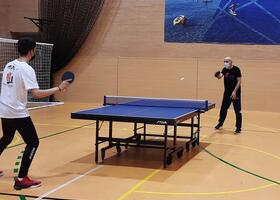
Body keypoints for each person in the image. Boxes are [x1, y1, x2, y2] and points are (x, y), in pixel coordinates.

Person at [0, 37, 70, 190]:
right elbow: (36, 94)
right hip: (17, 112)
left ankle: (21, 177)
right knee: (33, 142)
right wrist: (59, 88)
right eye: (35, 49)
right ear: (31, 50)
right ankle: (21, 178)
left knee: (7, 137)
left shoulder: (9, 65)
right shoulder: (27, 69)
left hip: (5, 110)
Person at [214, 57, 242, 134]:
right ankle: (220, 123)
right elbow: (220, 77)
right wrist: (217, 75)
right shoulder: (224, 69)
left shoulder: (236, 69)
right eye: (224, 61)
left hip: (236, 94)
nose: (225, 62)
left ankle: (238, 128)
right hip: (227, 93)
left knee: (237, 110)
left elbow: (239, 81)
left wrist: (234, 91)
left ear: (231, 62)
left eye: (227, 61)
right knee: (223, 109)